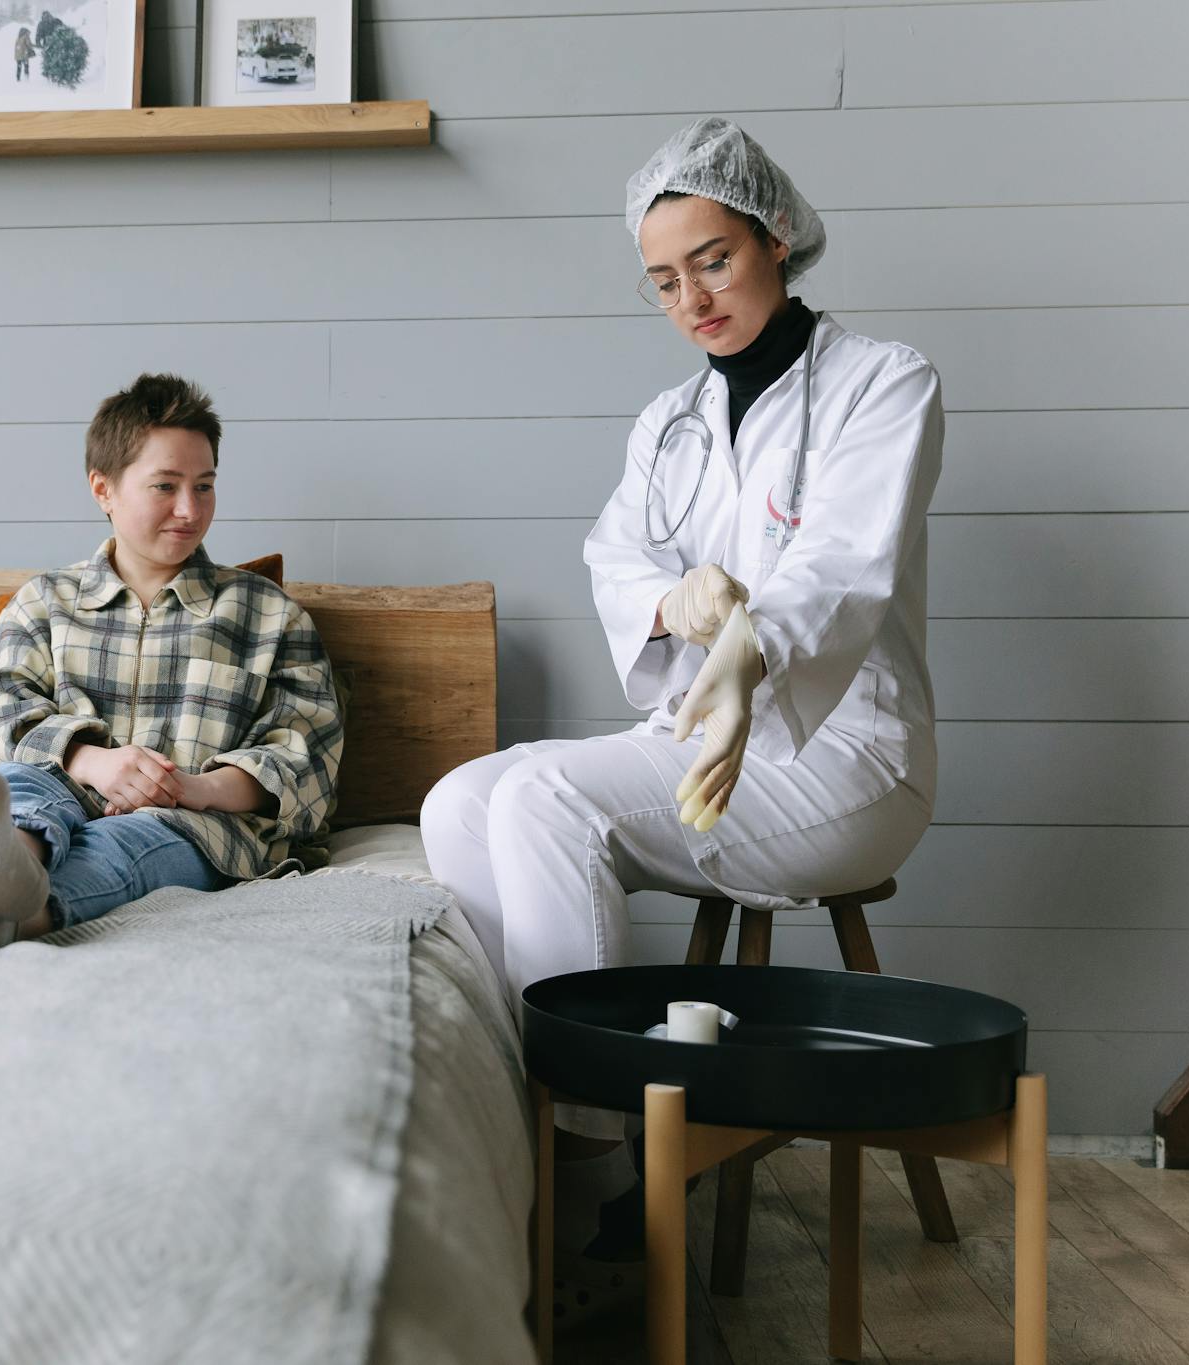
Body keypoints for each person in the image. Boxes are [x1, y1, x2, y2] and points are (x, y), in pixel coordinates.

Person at [419, 115, 944, 1303]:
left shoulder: (884, 382)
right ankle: (539, 1131)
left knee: (549, 796)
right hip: (699, 744)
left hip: (843, 753)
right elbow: (617, 563)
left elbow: (844, 569)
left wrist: (752, 637)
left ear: (774, 236)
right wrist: (673, 603)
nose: (690, 297)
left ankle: (603, 1179)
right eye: (662, 279)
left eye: (711, 259)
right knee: (460, 797)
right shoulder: (664, 426)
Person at [0, 373, 344, 950]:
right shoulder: (45, 601)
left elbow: (304, 756)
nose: (190, 509)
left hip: (194, 824)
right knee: (24, 787)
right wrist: (90, 761)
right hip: (61, 786)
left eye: (205, 486)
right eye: (165, 486)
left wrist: (193, 788)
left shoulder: (267, 614)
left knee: (131, 845)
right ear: (103, 489)